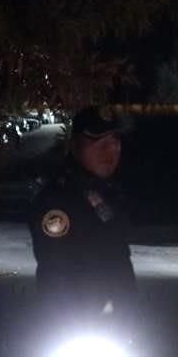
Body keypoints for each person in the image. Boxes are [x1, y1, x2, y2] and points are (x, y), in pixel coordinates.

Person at [28, 106, 137, 331]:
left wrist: (130, 315)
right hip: (69, 327)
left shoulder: (112, 193)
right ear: (76, 146)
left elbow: (120, 260)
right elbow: (55, 269)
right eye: (99, 143)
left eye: (115, 141)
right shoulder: (56, 200)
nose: (111, 150)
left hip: (115, 326)